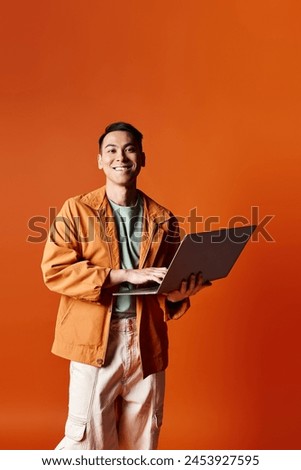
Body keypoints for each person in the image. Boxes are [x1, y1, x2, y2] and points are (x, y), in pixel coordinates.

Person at [41, 121, 211, 450]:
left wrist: (180, 294)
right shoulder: (76, 210)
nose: (121, 156)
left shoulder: (164, 218)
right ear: (100, 161)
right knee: (87, 442)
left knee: (143, 441)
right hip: (96, 342)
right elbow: (55, 271)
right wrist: (123, 275)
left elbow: (169, 281)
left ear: (142, 158)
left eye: (130, 149)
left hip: (146, 341)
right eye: (112, 150)